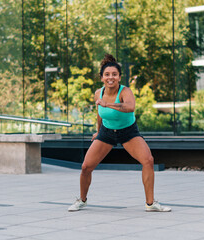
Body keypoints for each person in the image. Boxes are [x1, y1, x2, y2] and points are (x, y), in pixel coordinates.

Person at [68, 54, 171, 212]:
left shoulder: (125, 91)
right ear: (102, 77)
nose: (111, 77)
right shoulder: (98, 93)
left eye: (114, 74)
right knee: (86, 167)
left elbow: (130, 107)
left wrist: (107, 103)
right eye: (107, 74)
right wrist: (97, 132)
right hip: (106, 132)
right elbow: (99, 113)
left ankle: (150, 204)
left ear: (119, 77)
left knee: (148, 160)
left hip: (128, 132)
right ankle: (82, 200)